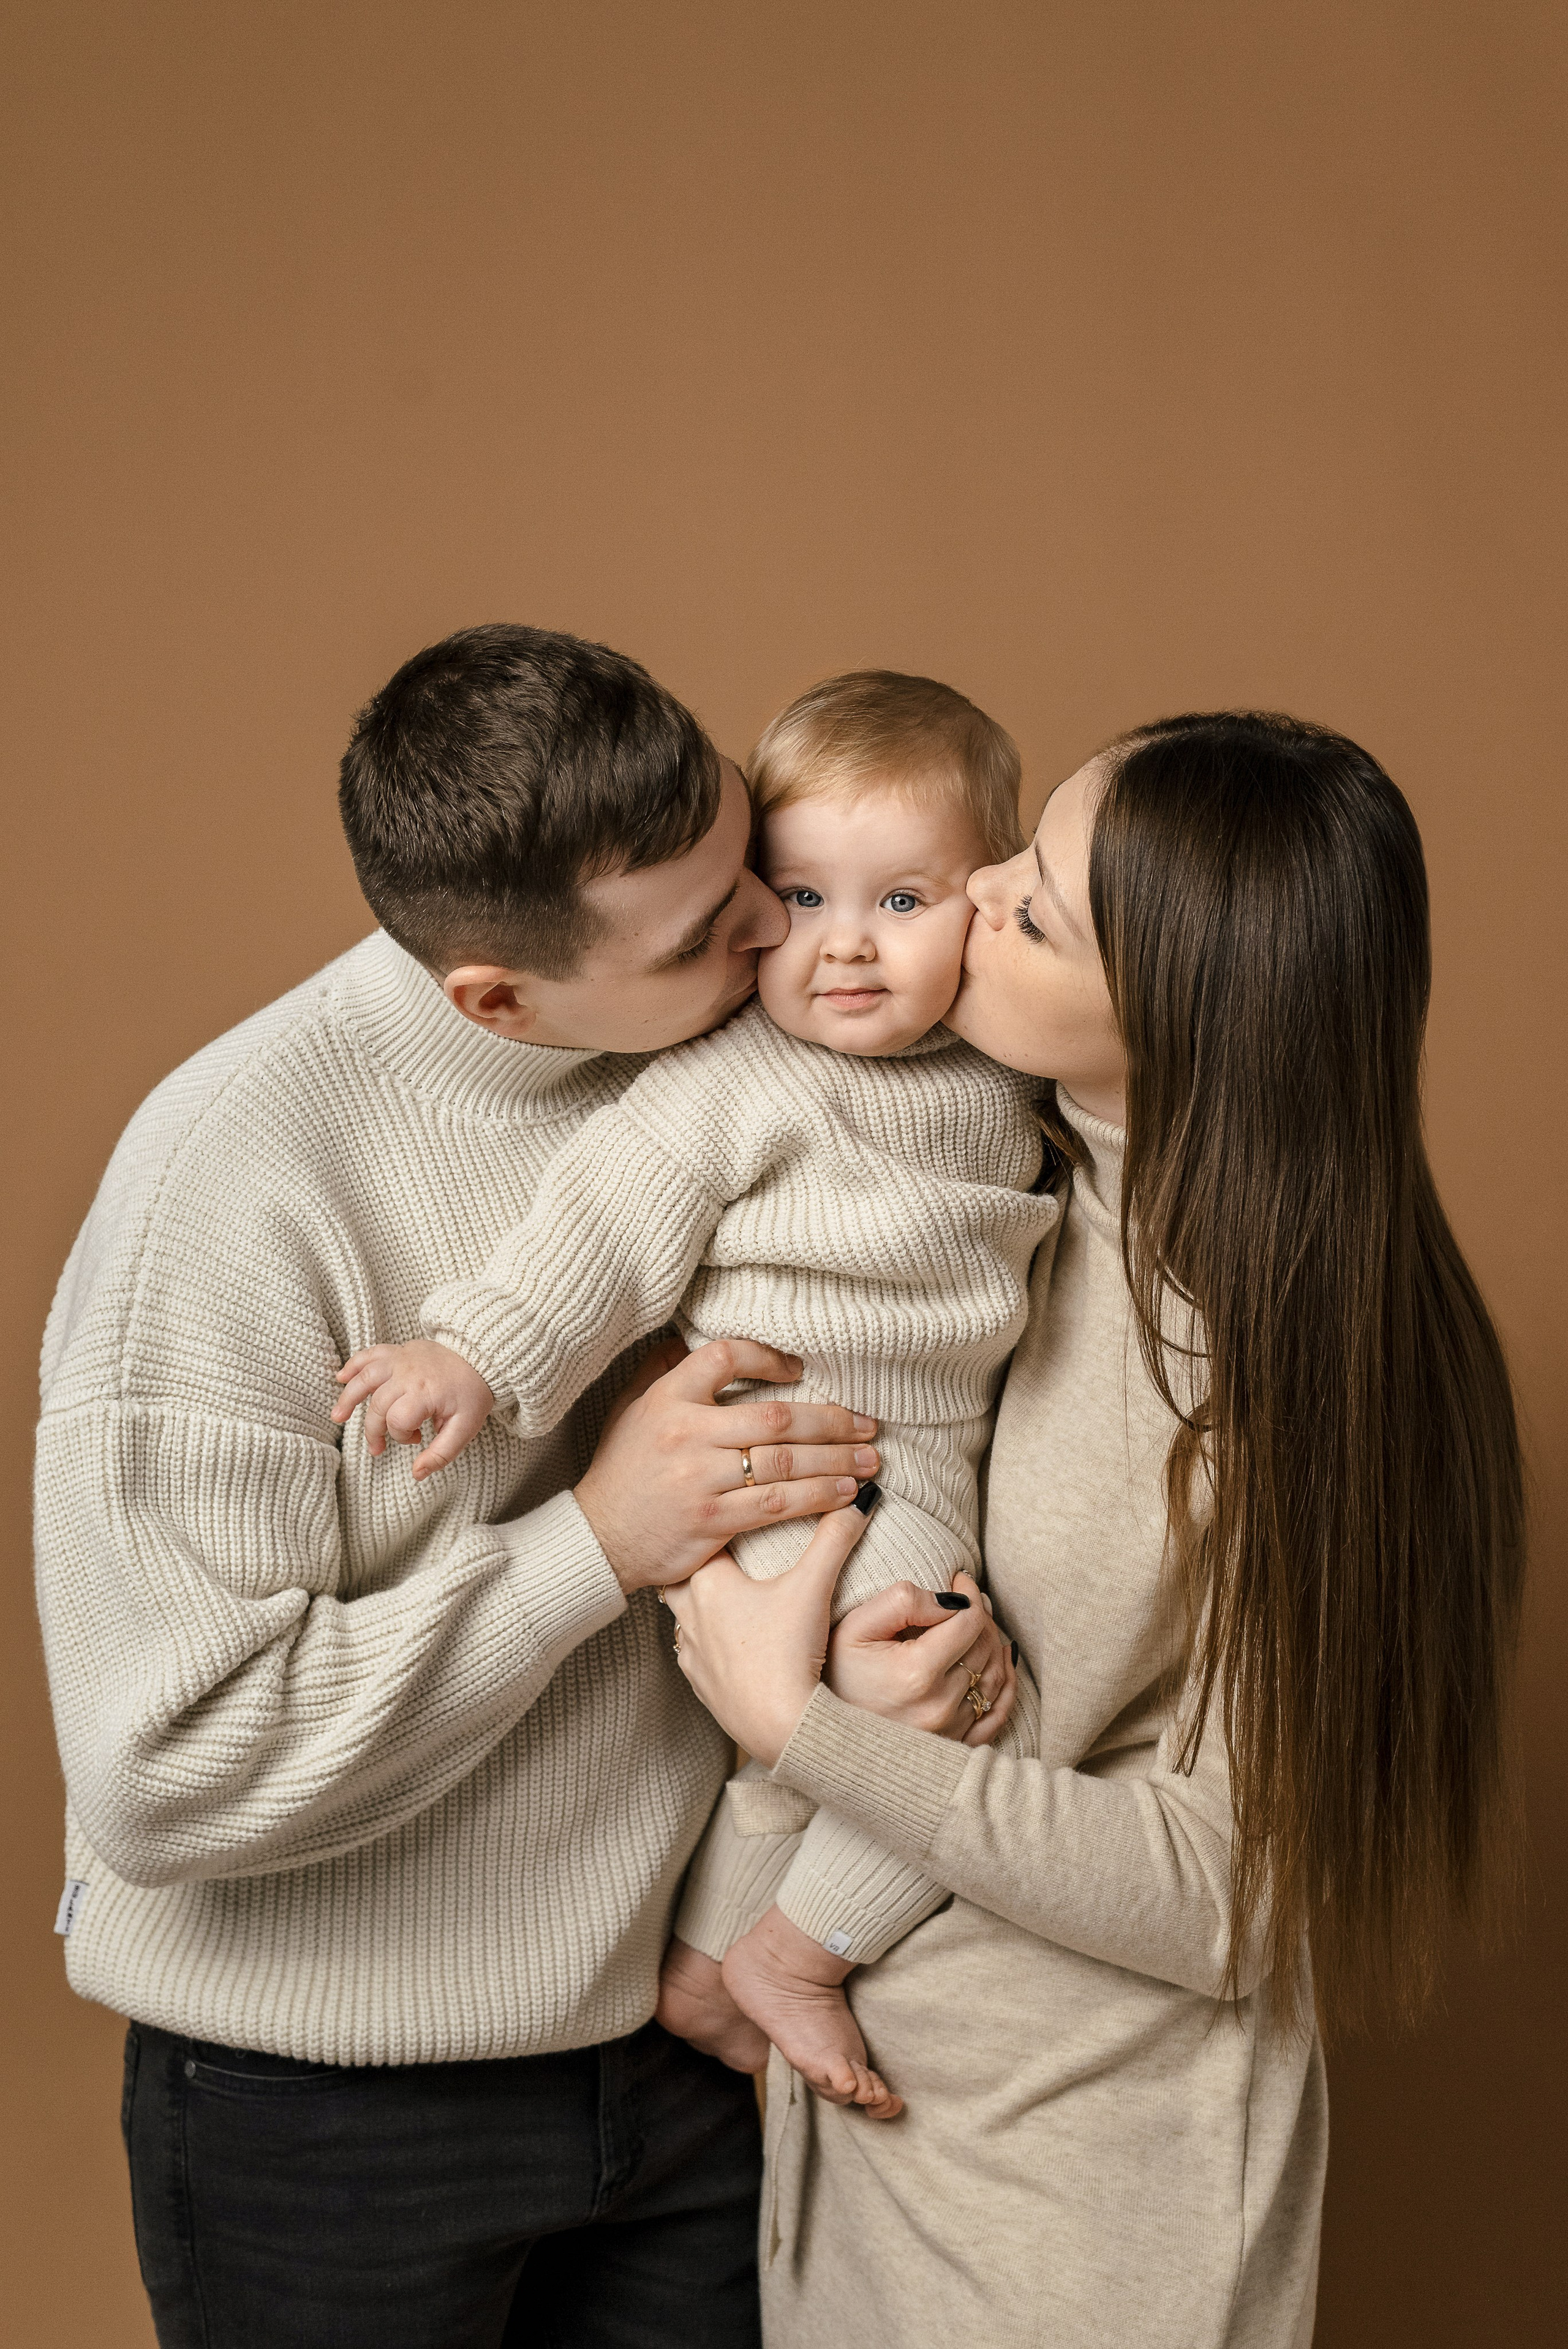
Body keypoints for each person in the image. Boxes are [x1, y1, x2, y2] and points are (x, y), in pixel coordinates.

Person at [34, 624, 1007, 2349]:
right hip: (328, 2117)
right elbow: (163, 1773)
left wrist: (896, 1647)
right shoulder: (230, 1194)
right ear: (497, 995)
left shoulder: (757, 1046)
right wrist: (594, 1543)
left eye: (759, 870)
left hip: (673, 2044)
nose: (785, 936)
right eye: (722, 929)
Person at [665, 711, 1526, 2347]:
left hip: (1081, 2213)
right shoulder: (1006, 1176)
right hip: (877, 2146)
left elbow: (1226, 1898)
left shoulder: (1285, 1361)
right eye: (1014, 856)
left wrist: (798, 1729)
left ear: (1186, 1011)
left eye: (1033, 906)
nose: (969, 893)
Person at [331, 671, 1053, 2120]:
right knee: (966, 1714)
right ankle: (796, 1950)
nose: (843, 947)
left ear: (987, 900)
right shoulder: (735, 1074)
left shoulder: (1002, 1067)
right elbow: (599, 1224)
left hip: (926, 1464)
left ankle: (707, 1953)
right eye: (797, 898)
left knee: (810, 1754)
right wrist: (474, 1354)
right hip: (797, 1465)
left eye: (902, 902)